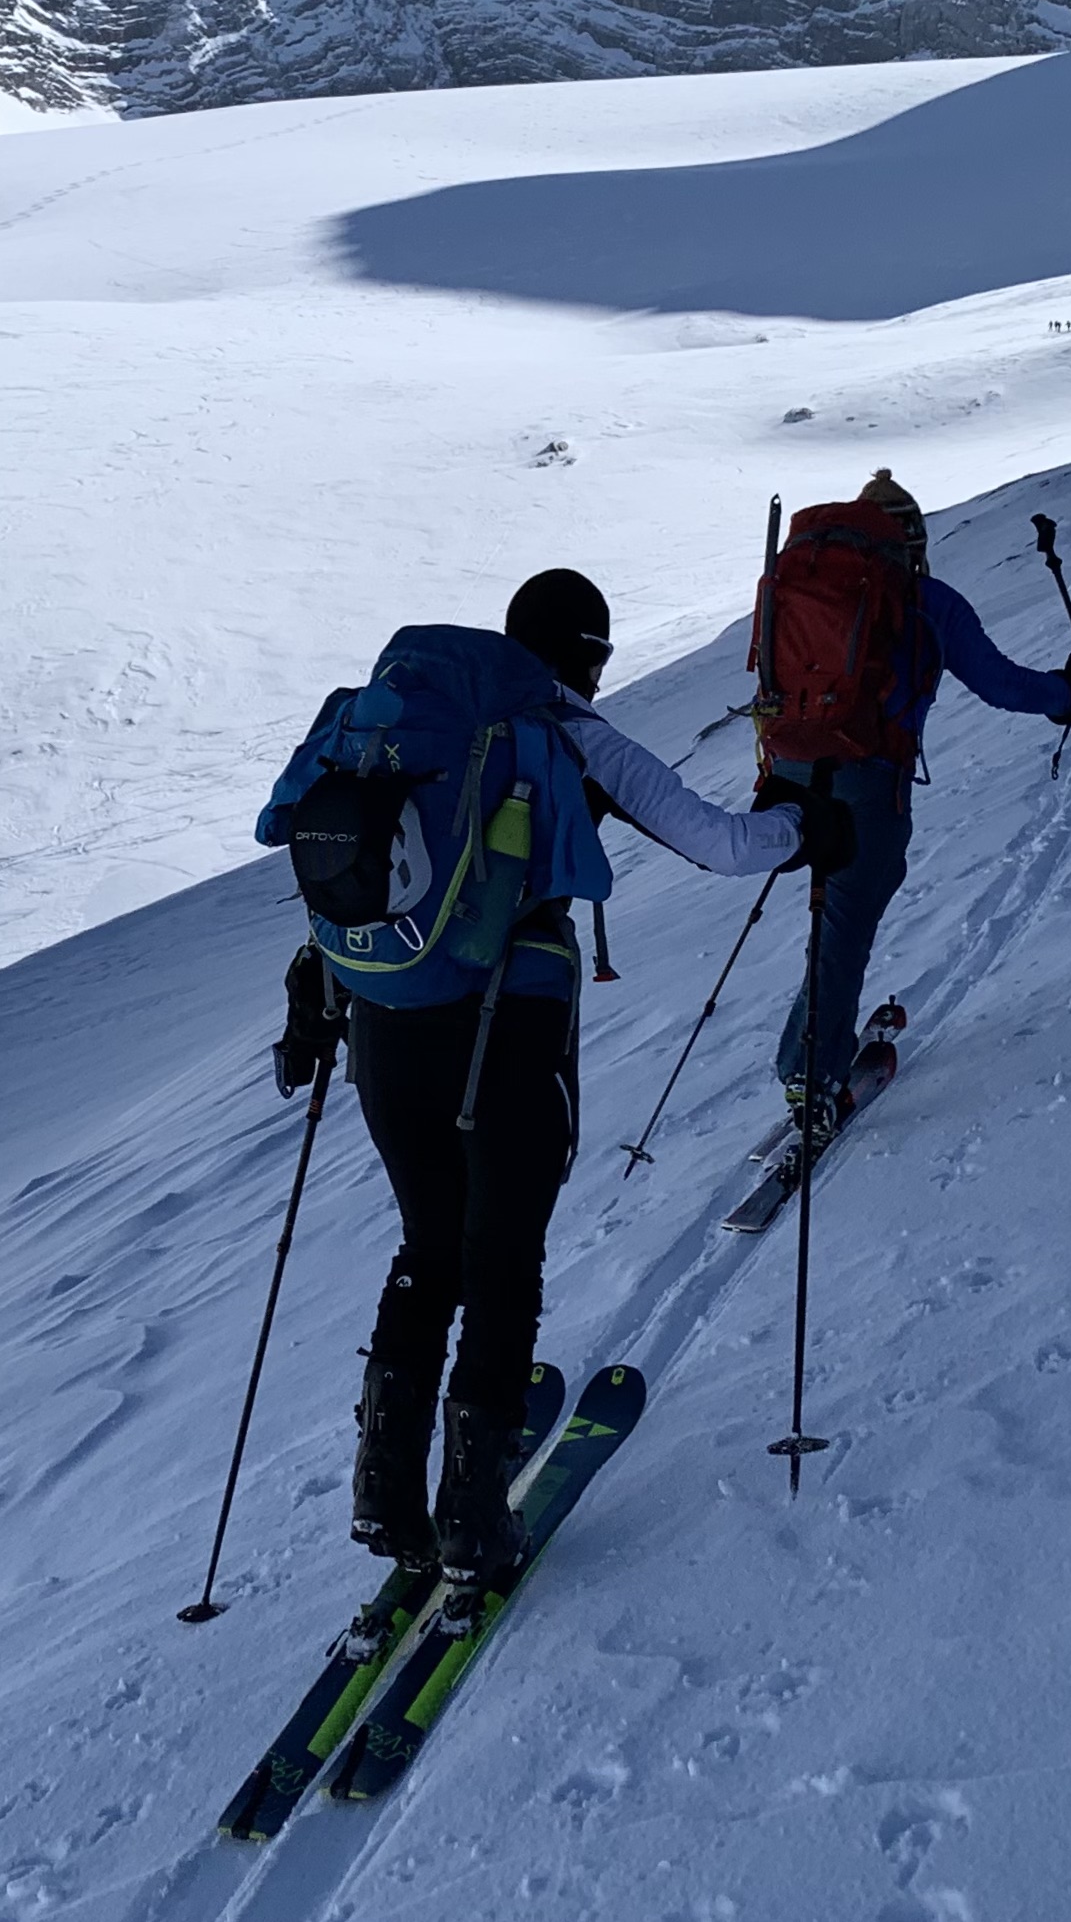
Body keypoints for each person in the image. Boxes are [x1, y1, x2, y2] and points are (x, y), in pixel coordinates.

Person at [274, 568, 849, 1586]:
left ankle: (383, 1487)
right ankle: (470, 1518)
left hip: (382, 1021)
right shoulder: (562, 727)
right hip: (506, 1014)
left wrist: (311, 1002)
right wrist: (805, 828)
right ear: (586, 655)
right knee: (502, 1253)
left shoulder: (398, 725)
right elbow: (719, 844)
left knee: (429, 1243)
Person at [763, 472, 1071, 1106]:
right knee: (846, 918)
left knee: (840, 912)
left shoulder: (805, 587)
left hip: (789, 770)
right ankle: (812, 1073)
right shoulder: (928, 601)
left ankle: (812, 1046)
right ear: (914, 542)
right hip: (869, 779)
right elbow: (1002, 685)